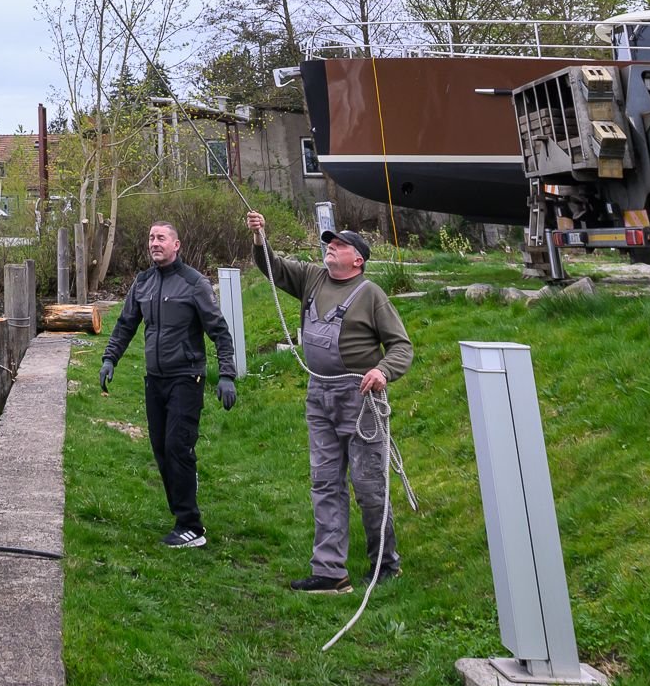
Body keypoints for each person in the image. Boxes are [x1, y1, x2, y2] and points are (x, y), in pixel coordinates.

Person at [247, 209, 413, 594]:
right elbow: (271, 267)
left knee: (369, 485)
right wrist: (259, 236)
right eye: (329, 244)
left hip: (361, 399)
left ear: (358, 259)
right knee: (324, 482)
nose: (330, 248)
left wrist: (383, 372)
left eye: (339, 245)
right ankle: (329, 571)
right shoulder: (312, 278)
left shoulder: (371, 294)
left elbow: (402, 346)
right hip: (319, 395)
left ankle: (385, 564)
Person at [97, 220, 238, 548]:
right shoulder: (143, 282)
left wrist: (227, 375)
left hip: (186, 378)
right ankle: (181, 516)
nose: (154, 243)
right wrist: (109, 359)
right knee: (161, 449)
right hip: (155, 380)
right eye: (151, 238)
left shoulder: (194, 283)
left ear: (177, 245)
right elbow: (125, 325)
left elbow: (219, 331)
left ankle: (191, 525)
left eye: (161, 238)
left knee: (178, 446)